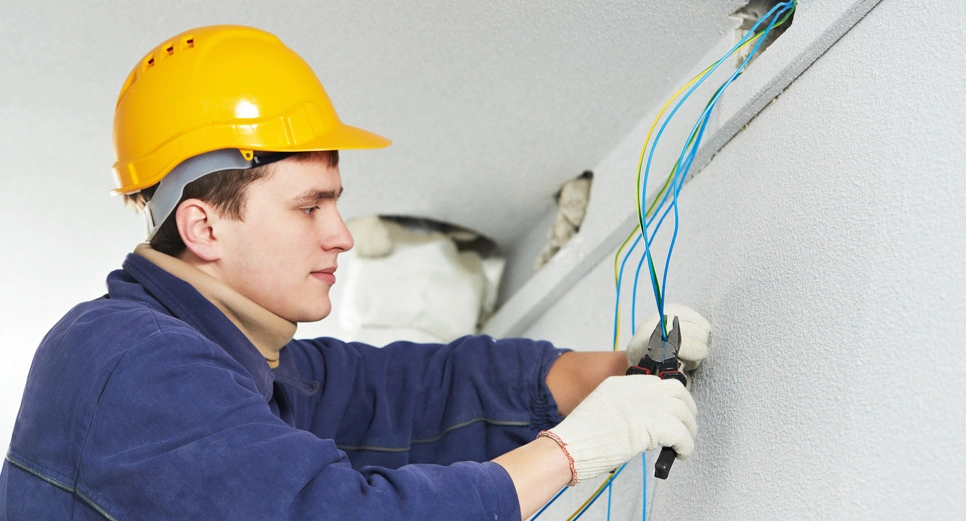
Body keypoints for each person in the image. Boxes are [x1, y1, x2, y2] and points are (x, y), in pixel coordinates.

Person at [0, 25, 709, 520]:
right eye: (310, 207)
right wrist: (570, 451)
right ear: (204, 227)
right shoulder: (132, 361)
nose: (340, 235)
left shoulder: (232, 365)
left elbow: (406, 397)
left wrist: (612, 366)